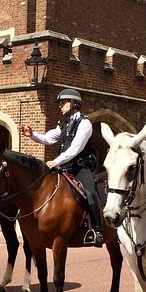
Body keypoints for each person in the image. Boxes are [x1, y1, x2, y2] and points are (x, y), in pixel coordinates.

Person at [20, 88, 103, 247]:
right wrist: (32, 134)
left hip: (80, 169)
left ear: (74, 104)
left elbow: (75, 148)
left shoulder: (85, 123)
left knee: (90, 193)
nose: (60, 105)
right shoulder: (64, 124)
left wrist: (56, 161)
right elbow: (47, 139)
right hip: (64, 168)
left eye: (63, 102)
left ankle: (97, 231)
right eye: (59, 103)